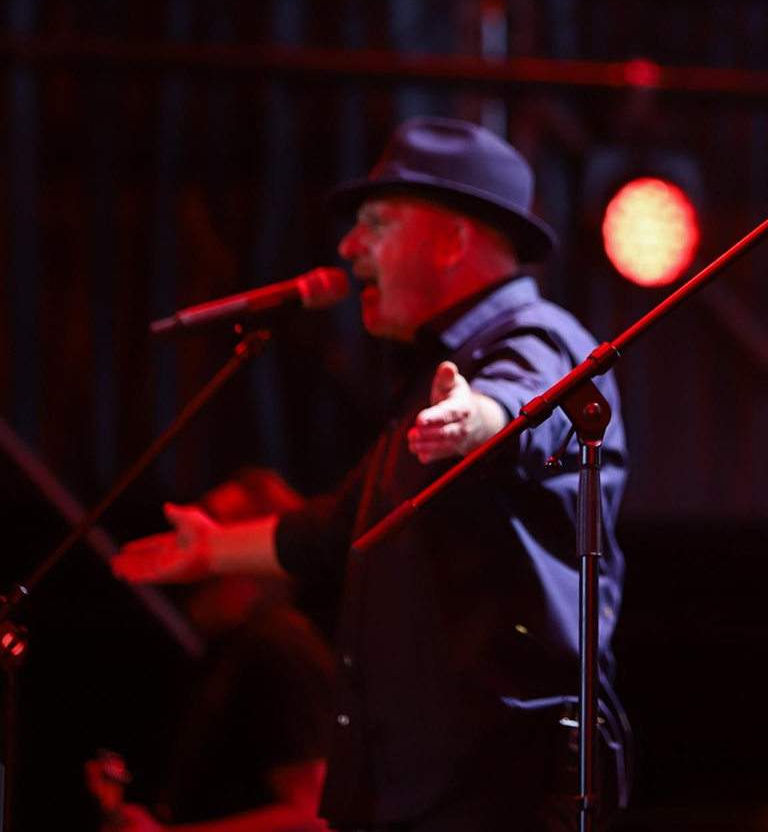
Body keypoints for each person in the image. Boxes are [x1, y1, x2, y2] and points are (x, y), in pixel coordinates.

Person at [114, 117, 630, 831]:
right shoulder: (428, 381)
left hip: (498, 798)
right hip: (425, 796)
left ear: (453, 240)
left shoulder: (539, 338)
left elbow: (532, 408)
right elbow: (332, 522)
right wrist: (211, 548)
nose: (350, 246)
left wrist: (476, 419)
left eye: (376, 223)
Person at [95, 469, 334, 832]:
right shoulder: (233, 646)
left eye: (212, 522)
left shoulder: (277, 647)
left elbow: (315, 816)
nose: (189, 537)